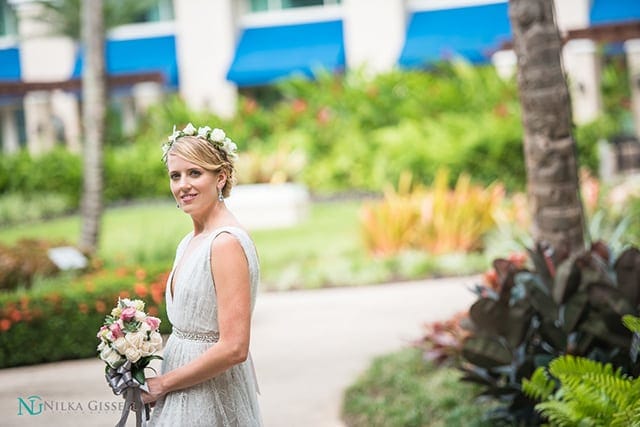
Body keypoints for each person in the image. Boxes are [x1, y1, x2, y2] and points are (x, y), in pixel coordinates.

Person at [142, 123, 262, 426]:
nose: (183, 184)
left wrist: (164, 383)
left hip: (211, 394)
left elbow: (235, 347)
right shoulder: (190, 241)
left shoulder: (225, 243)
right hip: (182, 384)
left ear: (220, 177)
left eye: (195, 173)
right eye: (175, 175)